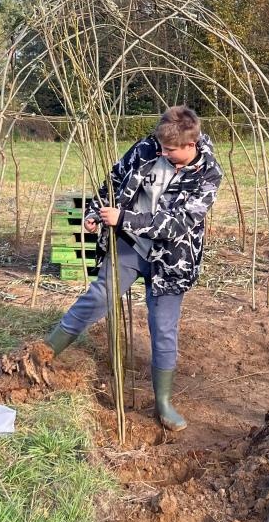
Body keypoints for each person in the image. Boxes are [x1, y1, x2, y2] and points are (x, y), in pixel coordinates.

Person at [45, 106, 222, 432]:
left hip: (171, 258)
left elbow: (179, 224)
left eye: (171, 150)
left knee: (163, 327)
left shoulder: (209, 174)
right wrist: (95, 213)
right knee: (99, 296)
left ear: (190, 144)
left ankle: (164, 402)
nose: (164, 153)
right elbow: (112, 181)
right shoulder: (147, 148)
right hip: (128, 244)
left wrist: (124, 218)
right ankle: (46, 352)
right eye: (161, 147)